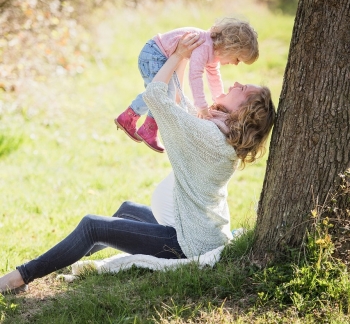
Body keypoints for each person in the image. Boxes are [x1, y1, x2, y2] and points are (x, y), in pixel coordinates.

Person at [0, 32, 275, 295]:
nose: (236, 83)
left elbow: (157, 97)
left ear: (244, 111)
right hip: (193, 230)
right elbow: (178, 102)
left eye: (243, 90)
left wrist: (177, 55)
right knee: (127, 211)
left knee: (92, 226)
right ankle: (58, 258)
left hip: (187, 244)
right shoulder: (218, 131)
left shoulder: (209, 137)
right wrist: (182, 57)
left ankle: (19, 277)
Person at [115, 17, 259, 153]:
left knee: (162, 93)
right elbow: (195, 75)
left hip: (157, 55)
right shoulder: (205, 46)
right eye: (238, 59)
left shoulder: (213, 52)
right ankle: (144, 126)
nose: (235, 64)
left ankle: (135, 120)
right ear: (231, 47)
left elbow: (214, 77)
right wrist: (201, 106)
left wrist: (218, 99)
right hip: (154, 54)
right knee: (161, 93)